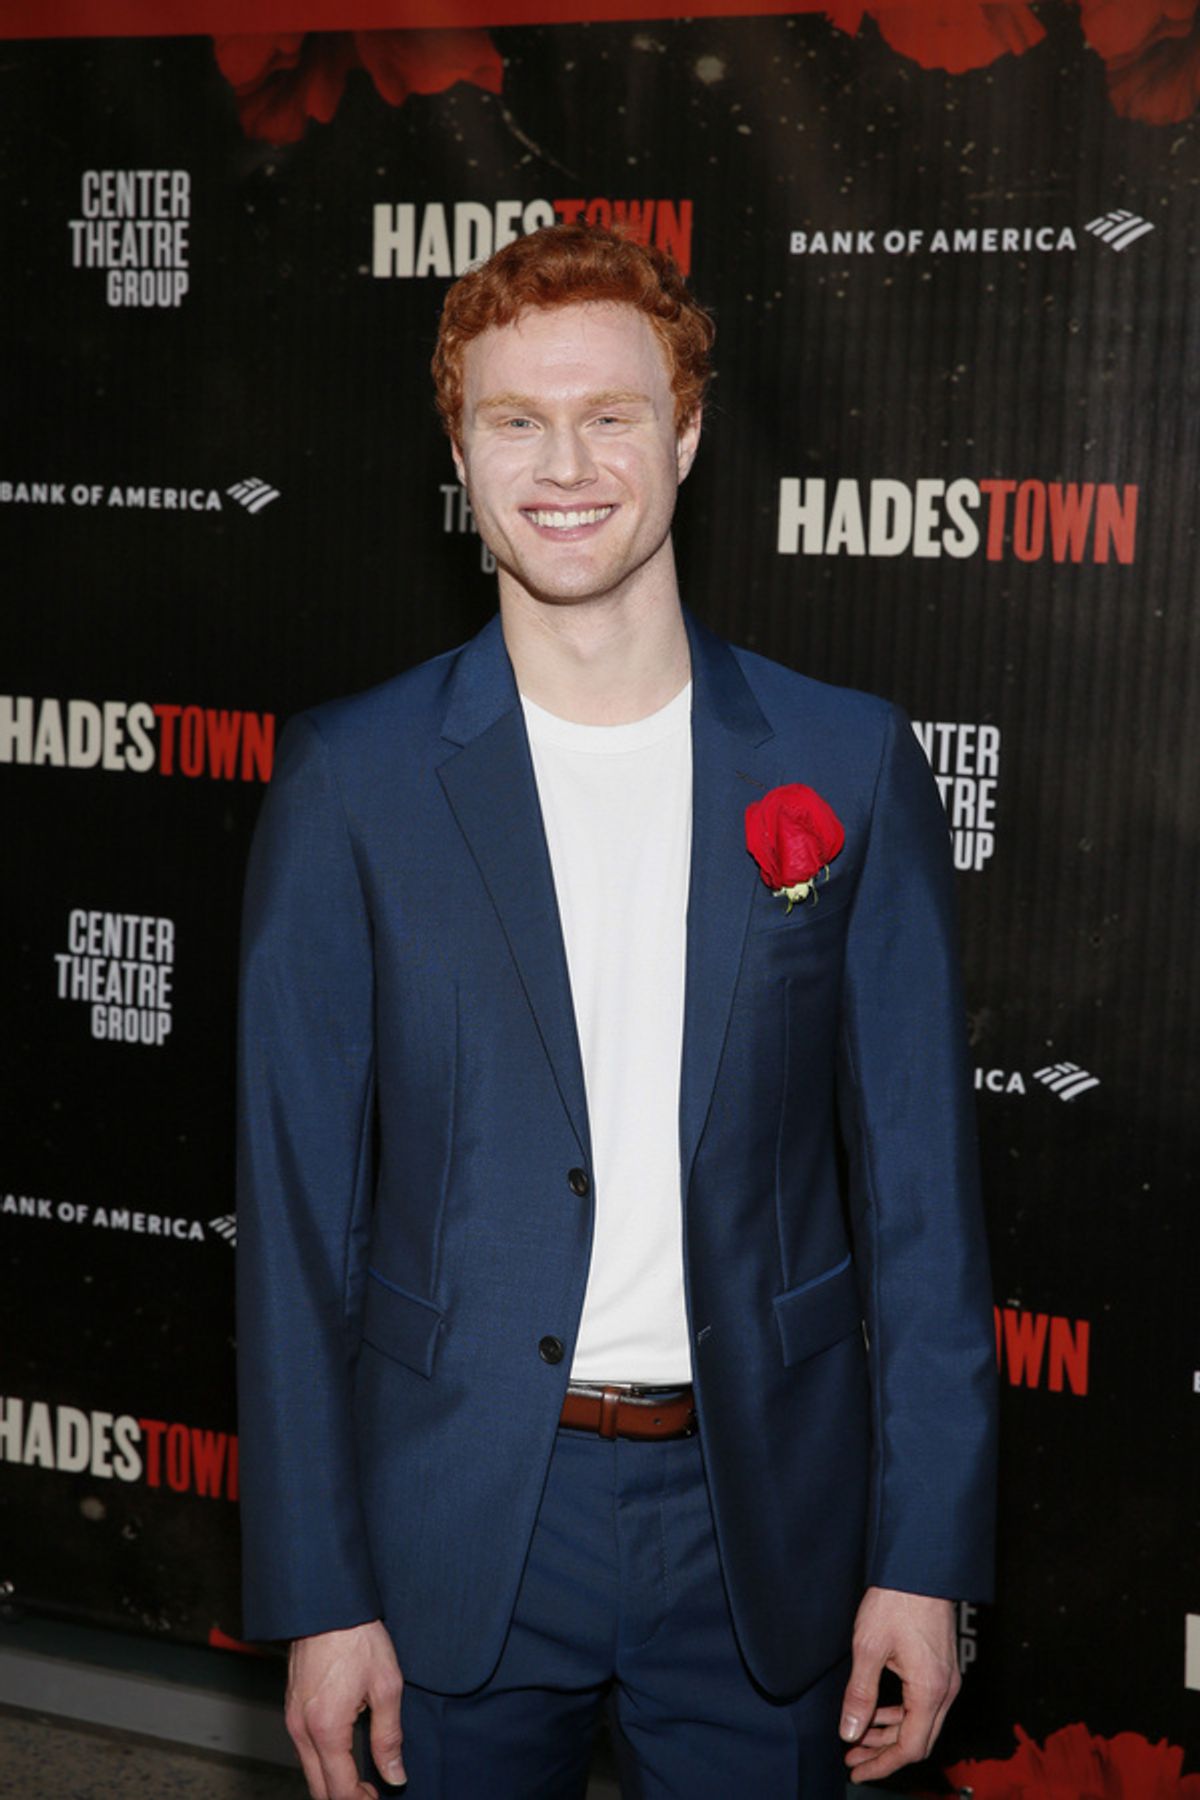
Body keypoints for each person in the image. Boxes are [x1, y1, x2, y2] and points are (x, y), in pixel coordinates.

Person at [237, 223, 996, 1800]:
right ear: (461, 454)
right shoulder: (353, 779)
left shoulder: (844, 761)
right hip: (451, 1522)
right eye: (516, 420)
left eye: (611, 415)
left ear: (688, 434)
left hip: (762, 1525)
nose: (566, 465)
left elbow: (923, 1203)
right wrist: (318, 1591)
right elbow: (295, 1222)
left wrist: (926, 1559)